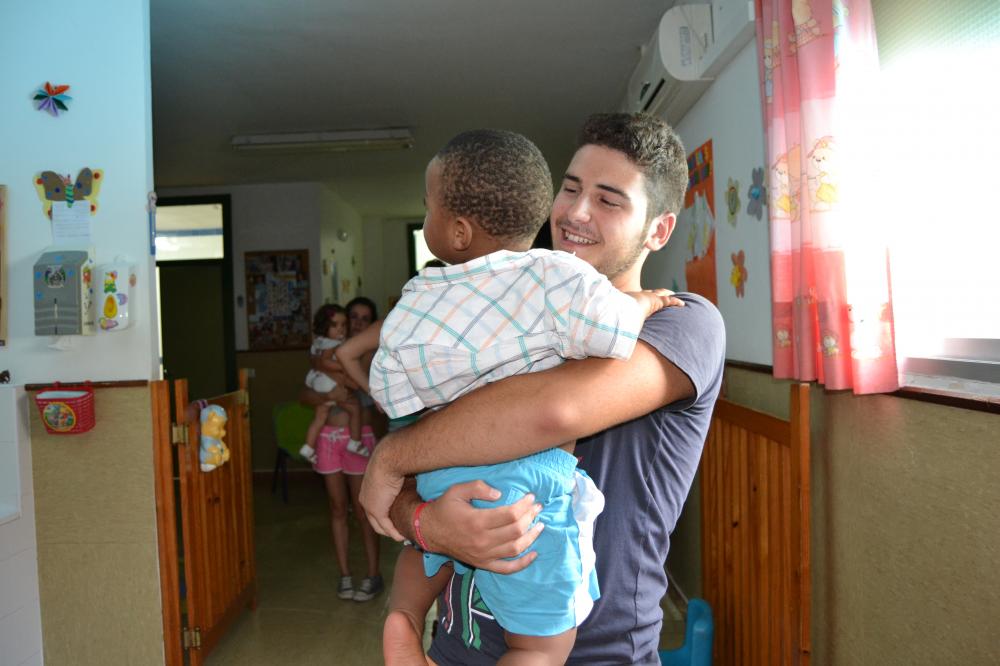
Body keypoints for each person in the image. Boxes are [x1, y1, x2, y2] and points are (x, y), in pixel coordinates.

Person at [360, 112, 726, 665]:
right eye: (571, 188)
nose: (576, 212)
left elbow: (555, 410)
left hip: (590, 655)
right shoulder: (500, 316)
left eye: (608, 200)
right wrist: (425, 522)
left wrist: (389, 457)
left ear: (659, 230)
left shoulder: (680, 323)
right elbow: (425, 465)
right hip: (457, 645)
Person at [302, 302, 383, 603]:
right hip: (329, 437)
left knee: (362, 511)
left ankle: (373, 574)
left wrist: (325, 364)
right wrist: (328, 393)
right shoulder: (328, 349)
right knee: (337, 508)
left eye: (365, 319)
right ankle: (345, 575)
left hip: (358, 439)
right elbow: (304, 396)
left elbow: (366, 388)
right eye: (353, 318)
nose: (358, 323)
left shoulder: (370, 353)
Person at [299, 304, 367, 464]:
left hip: (317, 380)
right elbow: (325, 362)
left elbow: (319, 362)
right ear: (325, 326)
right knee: (355, 408)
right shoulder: (333, 344)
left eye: (343, 325)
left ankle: (308, 447)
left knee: (320, 416)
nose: (340, 329)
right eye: (335, 325)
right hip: (328, 383)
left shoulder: (318, 342)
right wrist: (345, 366)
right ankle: (355, 442)